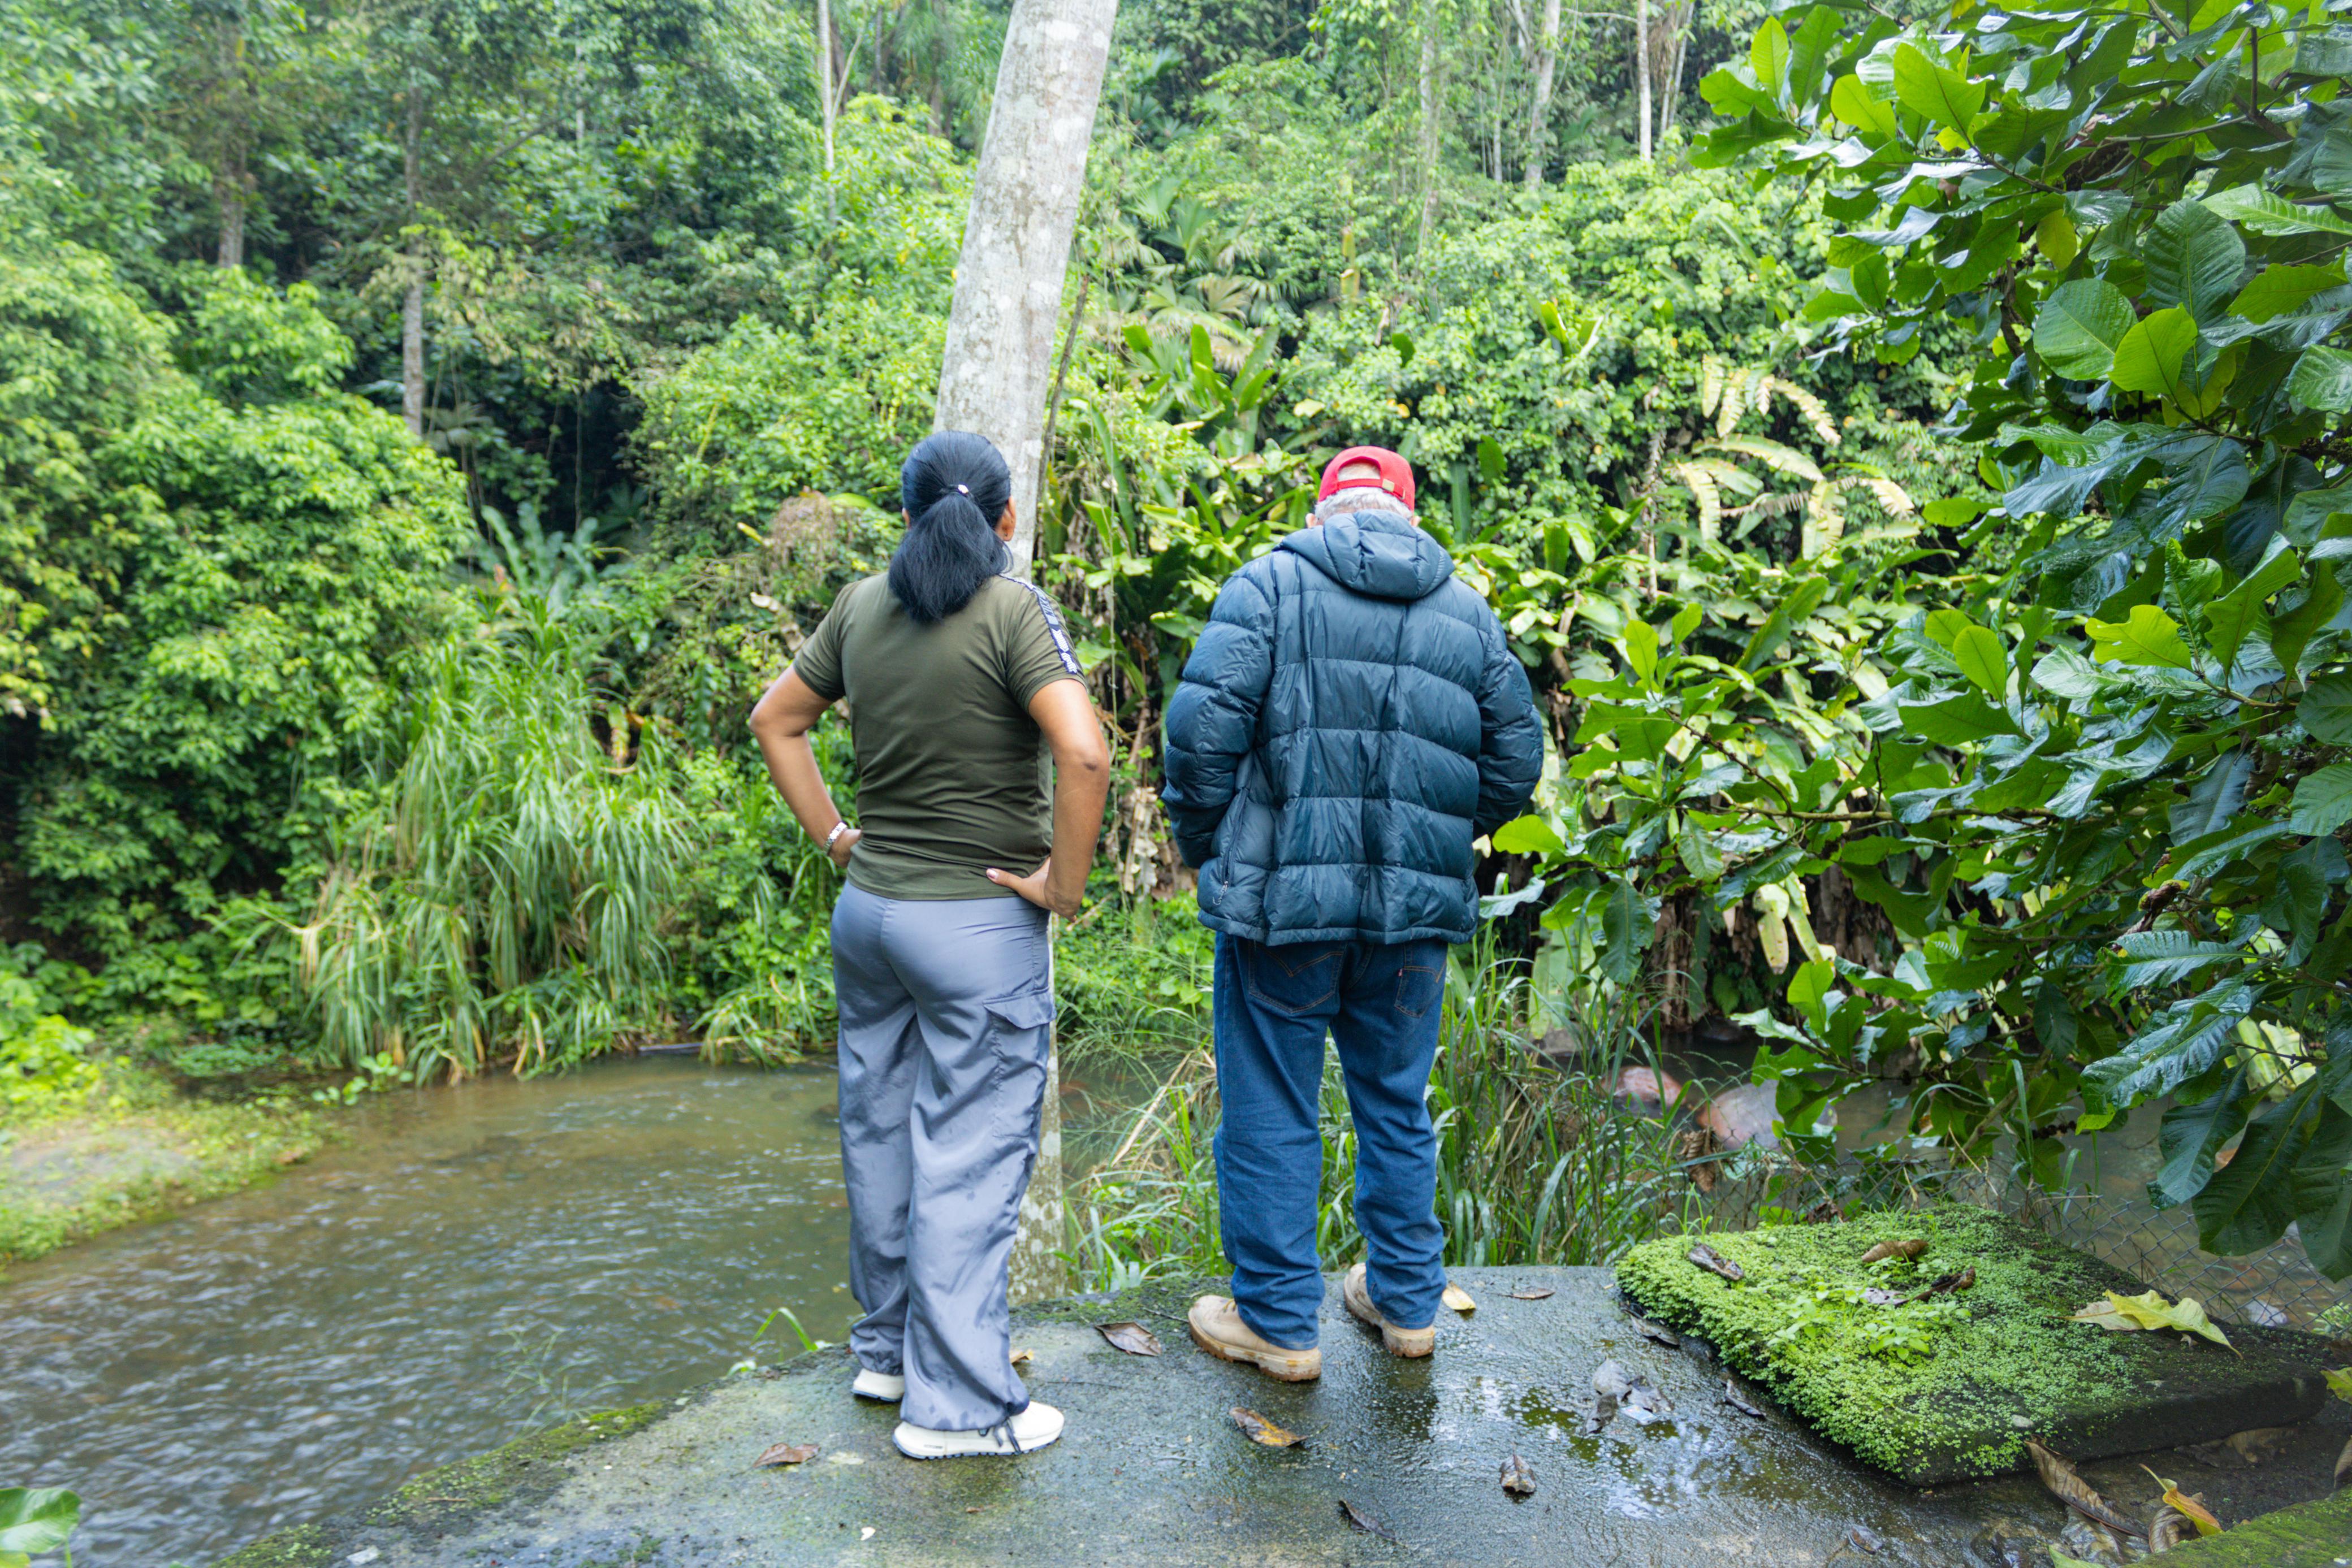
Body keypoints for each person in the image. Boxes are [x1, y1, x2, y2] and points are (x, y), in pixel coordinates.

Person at [748, 430, 1109, 1458]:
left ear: (907, 516)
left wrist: (837, 836)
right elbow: (1084, 754)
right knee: (969, 1157)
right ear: (1006, 518)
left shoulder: (862, 605)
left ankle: (888, 1355)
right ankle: (959, 1411)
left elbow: (777, 721)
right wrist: (1062, 888)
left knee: (881, 1137)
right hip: (976, 929)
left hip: (871, 918)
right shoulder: (1015, 609)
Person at [1160, 445, 1544, 1381]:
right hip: (1413, 917)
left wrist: (1214, 847)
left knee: (1271, 1106)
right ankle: (1408, 1306)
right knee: (1396, 1103)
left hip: (1284, 909)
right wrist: (1439, 834)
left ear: (1322, 513)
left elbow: (1200, 739)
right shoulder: (1470, 613)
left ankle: (1280, 1324)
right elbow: (1516, 760)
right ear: (1410, 516)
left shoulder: (1268, 586)